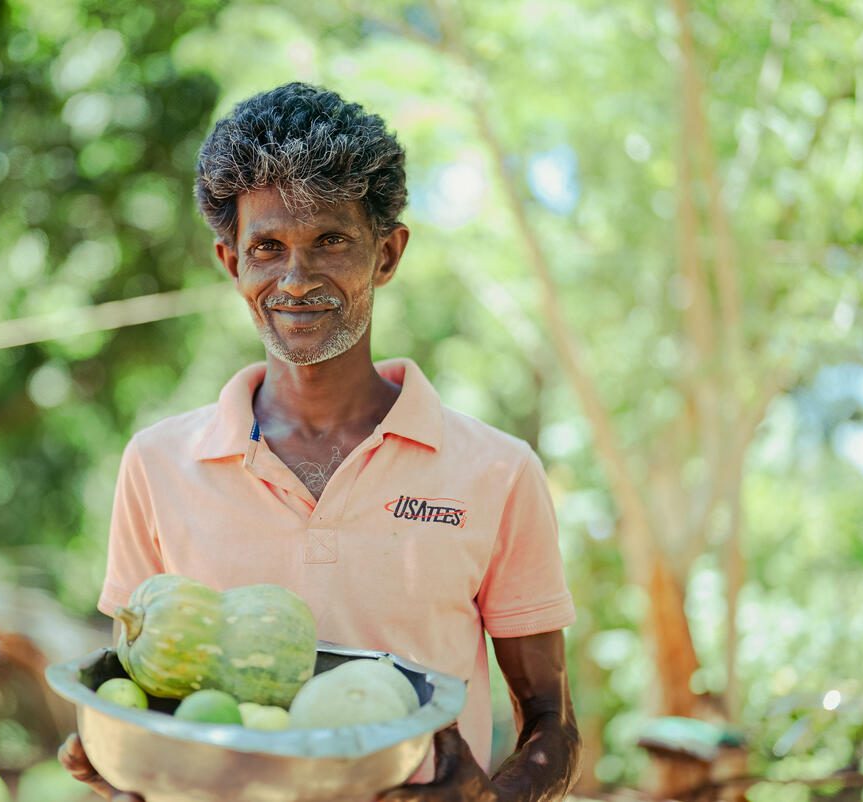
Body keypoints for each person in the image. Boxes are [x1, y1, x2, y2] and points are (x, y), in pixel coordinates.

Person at [59, 82, 581, 802]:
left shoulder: (495, 472)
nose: (296, 280)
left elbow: (553, 725)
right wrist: (119, 772)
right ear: (231, 262)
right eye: (267, 247)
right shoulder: (158, 465)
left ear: (387, 253)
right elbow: (141, 697)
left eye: (330, 240)